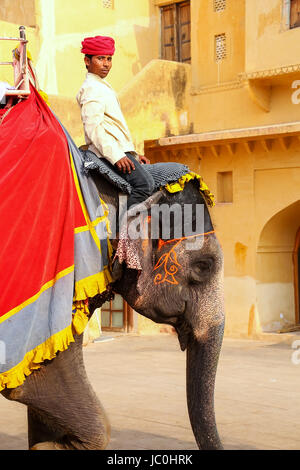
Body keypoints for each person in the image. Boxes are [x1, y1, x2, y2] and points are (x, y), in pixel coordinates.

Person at [76, 35, 154, 210]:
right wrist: (117, 156)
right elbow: (93, 127)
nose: (106, 64)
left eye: (109, 59)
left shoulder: (101, 85)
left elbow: (113, 128)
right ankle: (123, 234)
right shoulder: (91, 88)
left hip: (118, 150)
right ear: (87, 61)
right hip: (105, 153)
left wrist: (132, 154)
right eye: (100, 58)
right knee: (145, 185)